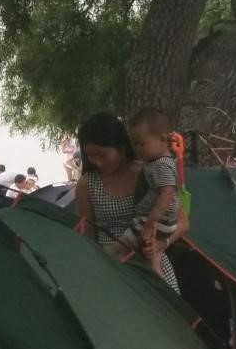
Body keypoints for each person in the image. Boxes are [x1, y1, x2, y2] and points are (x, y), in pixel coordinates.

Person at [75, 111, 184, 291]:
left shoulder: (149, 172)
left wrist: (160, 245)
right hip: (111, 266)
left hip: (151, 262)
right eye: (91, 156)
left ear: (121, 146)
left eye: (102, 155)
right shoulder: (87, 184)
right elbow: (88, 233)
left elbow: (182, 222)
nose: (97, 162)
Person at [108, 108, 181, 280]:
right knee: (150, 254)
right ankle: (156, 273)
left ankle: (107, 262)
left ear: (162, 139)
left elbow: (168, 192)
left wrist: (152, 219)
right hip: (162, 222)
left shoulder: (162, 165)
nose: (138, 149)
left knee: (118, 246)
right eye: (135, 144)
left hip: (157, 221)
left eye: (142, 144)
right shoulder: (156, 162)